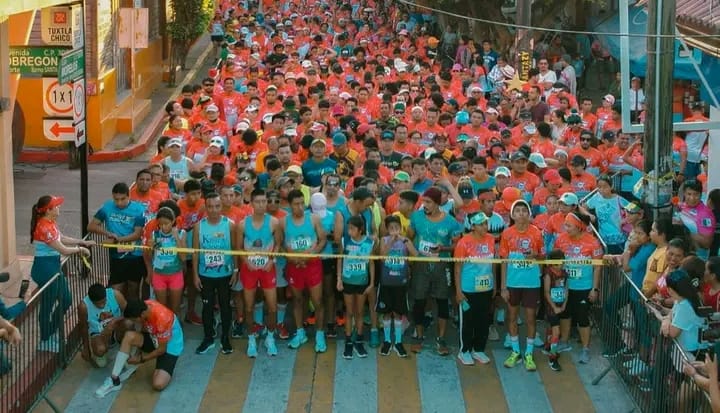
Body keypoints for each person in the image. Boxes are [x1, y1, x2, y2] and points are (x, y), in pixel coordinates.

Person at [31, 195, 93, 352]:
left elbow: (62, 238)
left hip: (53, 267)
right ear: (48, 210)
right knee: (47, 306)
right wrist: (80, 249)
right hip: (45, 269)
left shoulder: (50, 223)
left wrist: (81, 241)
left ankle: (50, 331)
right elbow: (63, 249)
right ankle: (45, 339)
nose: (59, 208)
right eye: (56, 206)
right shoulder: (44, 227)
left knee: (66, 300)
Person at [407, 187, 463, 355]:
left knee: (442, 301)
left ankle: (441, 338)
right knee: (419, 301)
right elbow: (409, 236)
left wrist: (443, 248)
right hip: (421, 265)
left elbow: (457, 245)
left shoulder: (451, 222)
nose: (425, 205)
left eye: (429, 202)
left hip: (441, 265)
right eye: (424, 201)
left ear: (438, 203)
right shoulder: (416, 217)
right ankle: (419, 336)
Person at [95, 299, 184, 397]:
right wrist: (115, 320)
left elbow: (161, 350)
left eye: (134, 320)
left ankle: (162, 364)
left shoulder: (163, 319)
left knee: (158, 384)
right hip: (154, 336)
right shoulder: (144, 306)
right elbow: (133, 317)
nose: (134, 322)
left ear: (141, 315)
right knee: (129, 336)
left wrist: (141, 359)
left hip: (169, 346)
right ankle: (114, 379)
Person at [499, 199, 545, 371]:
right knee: (512, 317)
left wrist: (535, 255)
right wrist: (503, 287)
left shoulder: (536, 233)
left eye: (524, 210)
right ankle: (516, 351)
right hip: (513, 283)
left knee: (530, 318)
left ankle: (529, 354)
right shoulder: (507, 233)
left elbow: (543, 256)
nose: (521, 213)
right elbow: (503, 262)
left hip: (531, 283)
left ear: (529, 214)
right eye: (517, 211)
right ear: (512, 215)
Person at [281, 189, 328, 352]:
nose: (300, 207)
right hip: (295, 267)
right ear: (290, 205)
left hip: (312, 266)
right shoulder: (283, 222)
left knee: (317, 301)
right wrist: (291, 258)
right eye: (296, 204)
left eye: (302, 203)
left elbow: (322, 240)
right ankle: (300, 332)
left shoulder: (313, 218)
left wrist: (311, 255)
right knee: (297, 300)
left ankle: (320, 334)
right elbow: (280, 245)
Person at [237, 189, 282, 358]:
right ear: (251, 203)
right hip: (249, 269)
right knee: (249, 307)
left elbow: (278, 244)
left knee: (272, 306)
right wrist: (246, 261)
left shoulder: (274, 222)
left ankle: (270, 337)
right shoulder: (243, 224)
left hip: (267, 269)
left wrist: (272, 260)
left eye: (264, 201)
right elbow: (238, 248)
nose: (262, 205)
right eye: (258, 202)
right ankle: (251, 339)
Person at [554, 212, 603, 364]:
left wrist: (594, 289)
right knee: (564, 314)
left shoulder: (592, 242)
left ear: (579, 227)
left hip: (584, 287)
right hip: (565, 286)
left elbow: (597, 267)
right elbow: (556, 262)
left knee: (582, 317)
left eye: (569, 225)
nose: (566, 228)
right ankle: (564, 341)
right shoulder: (561, 239)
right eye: (565, 225)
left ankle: (585, 348)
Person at [192, 192, 236, 355]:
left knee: (225, 306)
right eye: (210, 207)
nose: (214, 210)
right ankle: (208, 337)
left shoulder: (230, 225)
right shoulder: (199, 226)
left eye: (217, 206)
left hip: (225, 274)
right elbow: (195, 252)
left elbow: (235, 250)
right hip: (205, 275)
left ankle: (225, 338)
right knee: (207, 306)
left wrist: (236, 271)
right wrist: (195, 275)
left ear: (221, 206)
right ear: (206, 207)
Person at [88, 183, 146, 300]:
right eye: (116, 199)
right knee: (116, 290)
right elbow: (91, 226)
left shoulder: (139, 209)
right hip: (116, 256)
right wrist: (107, 233)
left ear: (129, 196)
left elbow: (137, 234)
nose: (119, 203)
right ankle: (117, 309)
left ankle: (131, 310)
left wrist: (117, 240)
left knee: (133, 289)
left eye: (122, 199)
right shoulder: (107, 207)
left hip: (135, 255)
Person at [454, 213, 495, 366]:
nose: (484, 226)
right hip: (468, 290)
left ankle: (478, 349)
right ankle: (464, 351)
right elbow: (457, 268)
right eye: (480, 224)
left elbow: (494, 263)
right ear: (472, 226)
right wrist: (458, 291)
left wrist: (495, 285)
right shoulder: (463, 243)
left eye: (485, 223)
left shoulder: (491, 239)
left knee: (483, 321)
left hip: (486, 288)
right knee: (467, 322)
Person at [378, 215, 417, 358]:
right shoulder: (384, 240)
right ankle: (387, 341)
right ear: (387, 229)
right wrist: (391, 242)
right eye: (391, 228)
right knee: (387, 312)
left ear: (400, 228)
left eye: (396, 227)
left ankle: (399, 342)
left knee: (399, 313)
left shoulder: (405, 241)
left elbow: (415, 254)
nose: (394, 230)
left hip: (401, 282)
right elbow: (382, 257)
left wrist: (404, 240)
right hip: (386, 282)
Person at [337, 216, 375, 359]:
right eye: (348, 228)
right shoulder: (345, 241)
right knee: (349, 312)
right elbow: (340, 259)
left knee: (359, 312)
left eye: (352, 229)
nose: (349, 231)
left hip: (362, 283)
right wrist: (339, 279)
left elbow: (371, 263)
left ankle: (359, 340)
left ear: (360, 230)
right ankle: (348, 342)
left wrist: (371, 283)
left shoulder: (369, 243)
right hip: (348, 282)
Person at [144, 207, 187, 317]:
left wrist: (176, 238)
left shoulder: (181, 233)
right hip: (159, 275)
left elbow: (183, 257)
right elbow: (149, 257)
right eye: (160, 224)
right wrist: (149, 248)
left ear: (173, 221)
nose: (163, 227)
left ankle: (176, 326)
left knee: (175, 309)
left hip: (175, 274)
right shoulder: (154, 234)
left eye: (166, 224)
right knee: (162, 309)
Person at [78, 283, 127, 368]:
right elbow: (83, 327)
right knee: (100, 352)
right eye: (97, 304)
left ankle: (123, 344)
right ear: (91, 301)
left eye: (104, 302)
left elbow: (129, 312)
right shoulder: (83, 307)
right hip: (98, 333)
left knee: (128, 324)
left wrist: (115, 321)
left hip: (117, 326)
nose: (101, 305)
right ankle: (101, 350)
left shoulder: (116, 295)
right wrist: (86, 348)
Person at [543, 249, 568, 371]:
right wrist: (554, 307)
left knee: (552, 328)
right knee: (556, 332)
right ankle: (552, 358)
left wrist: (564, 305)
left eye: (562, 262)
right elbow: (546, 292)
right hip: (551, 307)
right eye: (557, 263)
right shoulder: (548, 274)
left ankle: (548, 345)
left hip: (560, 305)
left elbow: (566, 289)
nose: (560, 265)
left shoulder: (564, 273)